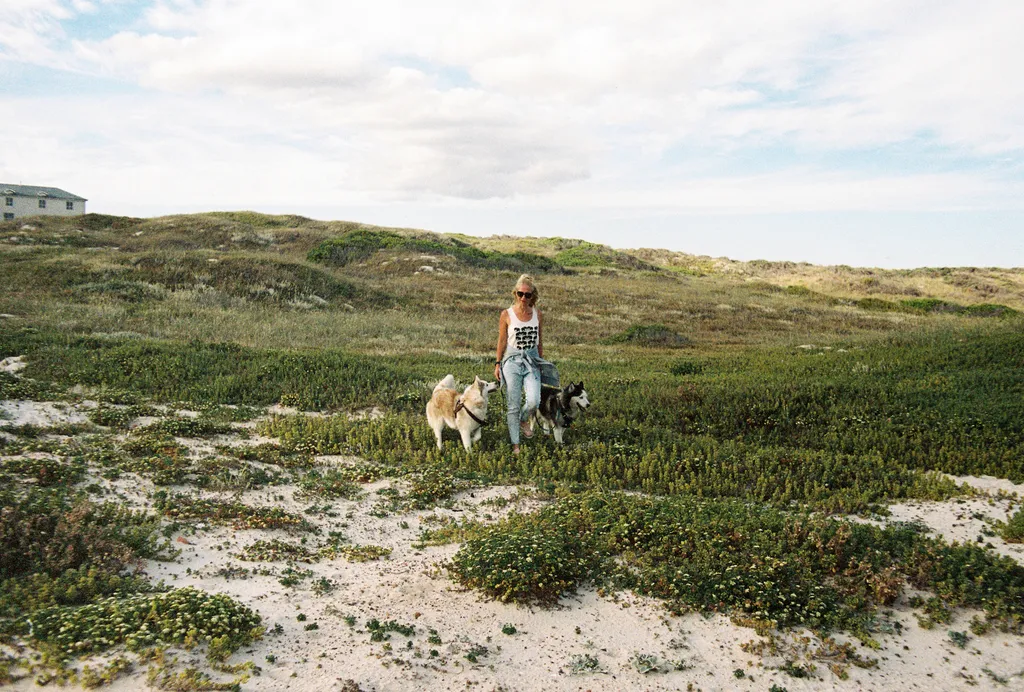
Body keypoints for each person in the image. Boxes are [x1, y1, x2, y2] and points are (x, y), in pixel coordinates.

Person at [494, 274, 545, 455]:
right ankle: (515, 445)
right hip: (512, 361)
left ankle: (524, 420)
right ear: (515, 294)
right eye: (520, 294)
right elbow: (501, 341)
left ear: (533, 296)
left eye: (527, 295)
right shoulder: (506, 314)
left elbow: (539, 342)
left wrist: (541, 362)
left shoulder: (537, 314)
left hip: (532, 360)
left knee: (534, 400)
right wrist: (498, 364)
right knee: (513, 405)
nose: (523, 298)